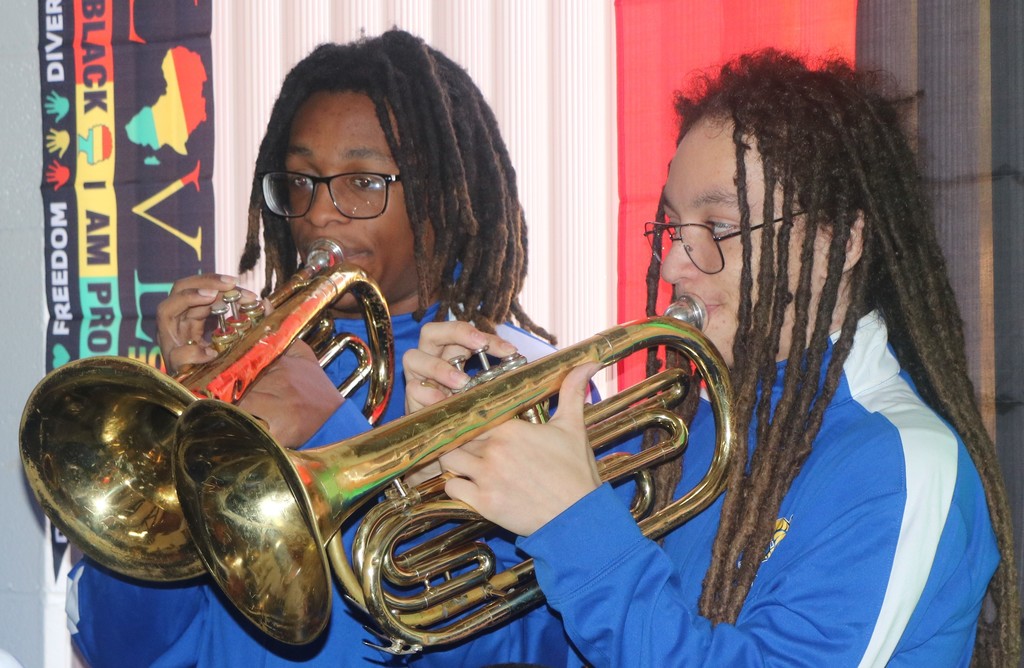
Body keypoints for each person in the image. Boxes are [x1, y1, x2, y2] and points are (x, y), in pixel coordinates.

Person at [404, 50, 1022, 666]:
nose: (673, 264)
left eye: (719, 227)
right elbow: (546, 646)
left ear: (841, 238)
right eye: (673, 226)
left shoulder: (900, 462)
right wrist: (441, 484)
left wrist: (576, 525)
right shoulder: (686, 426)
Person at [65, 29, 569, 667]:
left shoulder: (521, 381)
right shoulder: (252, 354)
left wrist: (330, 427)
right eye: (300, 182)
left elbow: (527, 644)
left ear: (444, 193)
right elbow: (119, 650)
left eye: (361, 182)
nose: (319, 215)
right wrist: (169, 438)